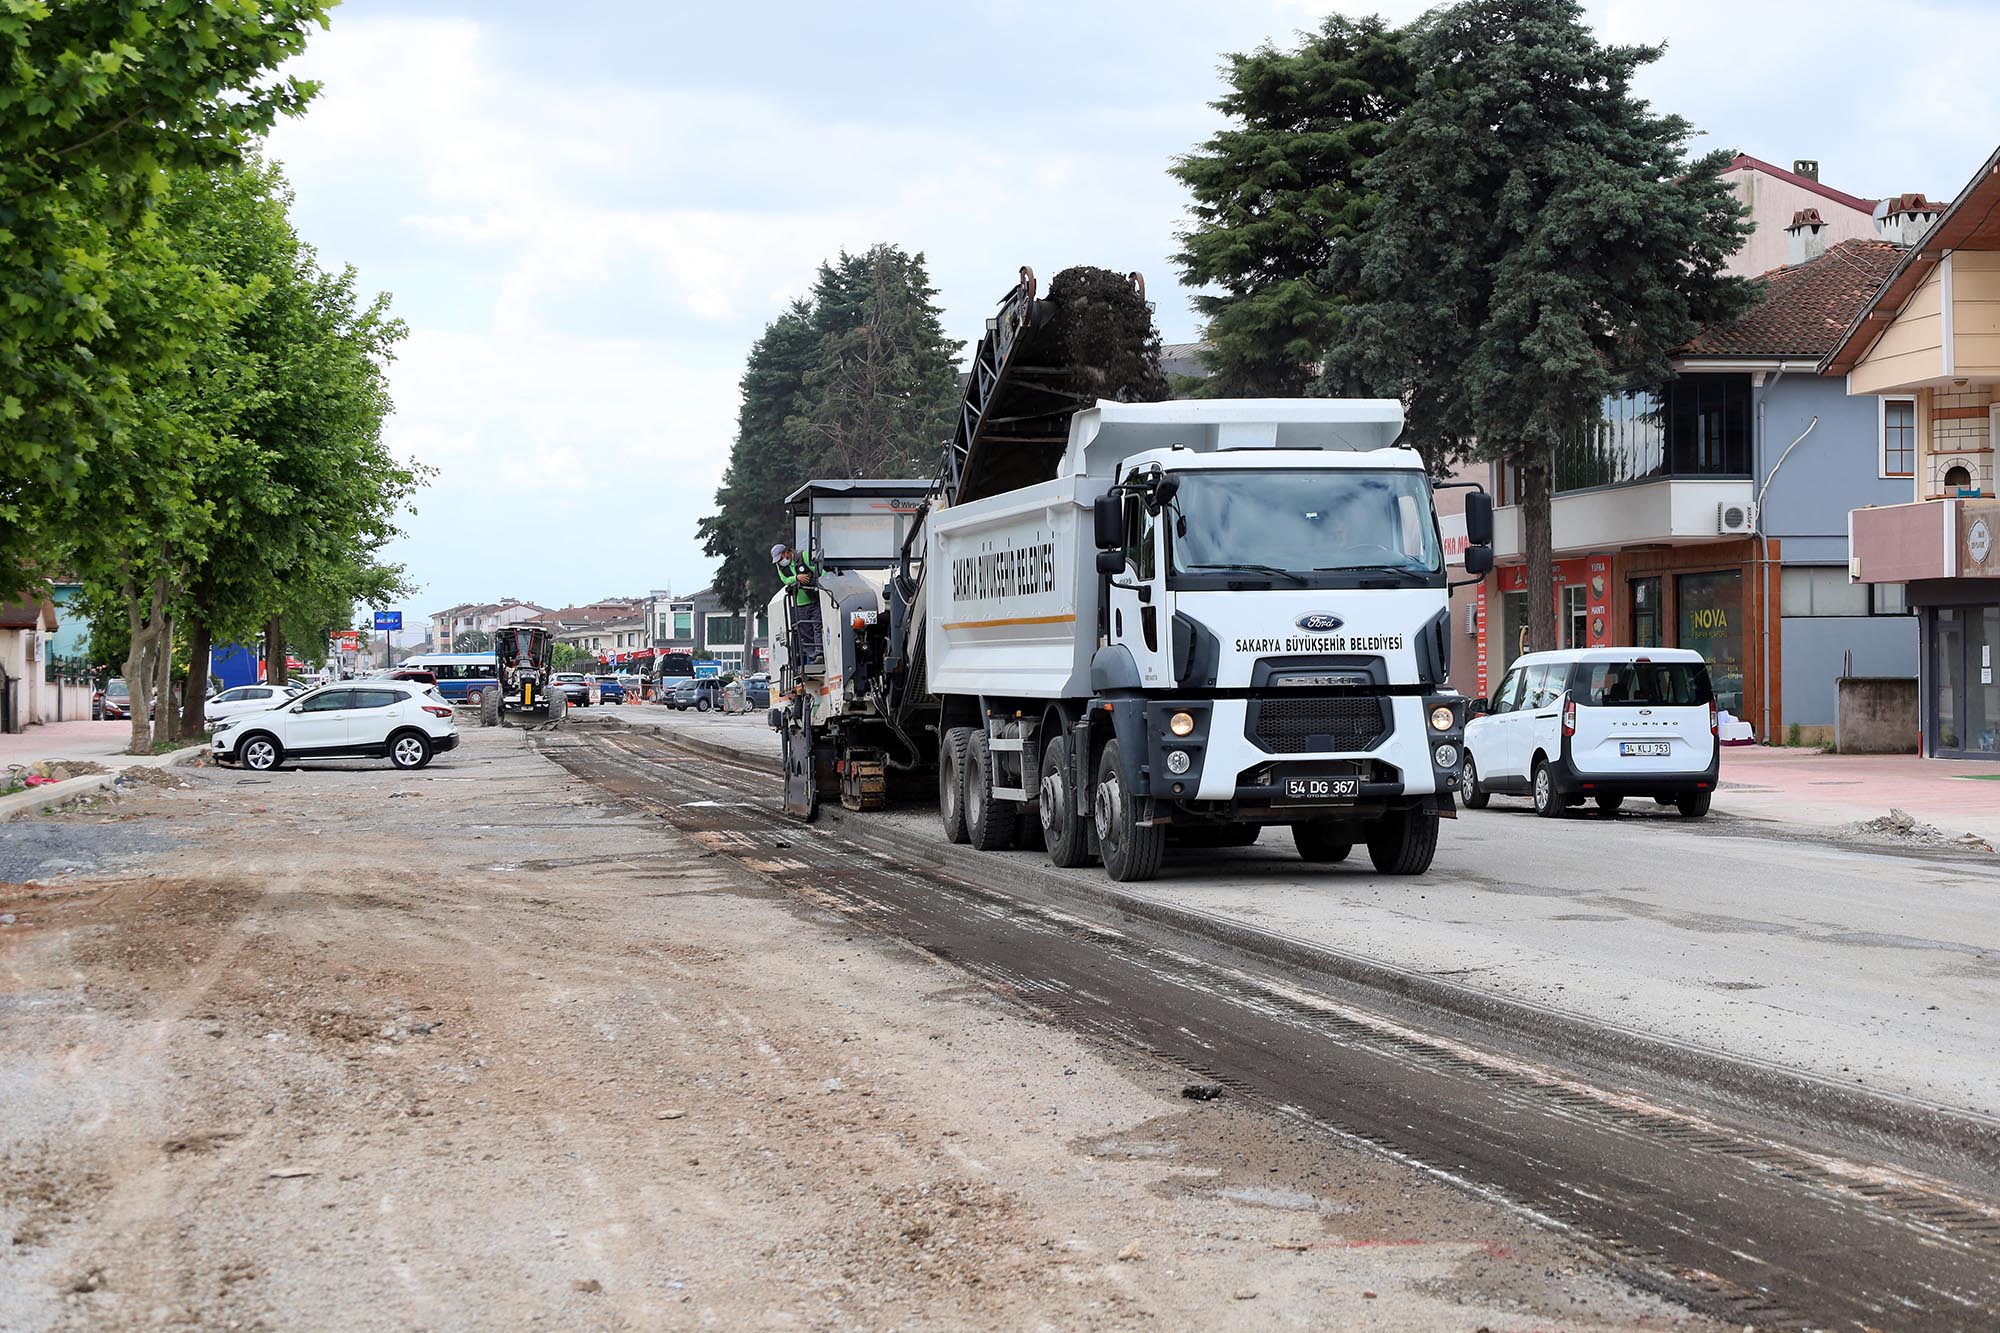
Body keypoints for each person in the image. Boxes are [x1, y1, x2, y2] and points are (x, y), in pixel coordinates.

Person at [772, 542, 824, 666]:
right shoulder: (781, 567)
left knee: (817, 626)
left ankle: (820, 653)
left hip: (813, 598)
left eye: (780, 559)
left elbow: (820, 572)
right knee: (805, 630)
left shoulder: (804, 556)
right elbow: (785, 580)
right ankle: (813, 656)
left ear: (786, 552)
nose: (780, 562)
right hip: (799, 602)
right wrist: (797, 578)